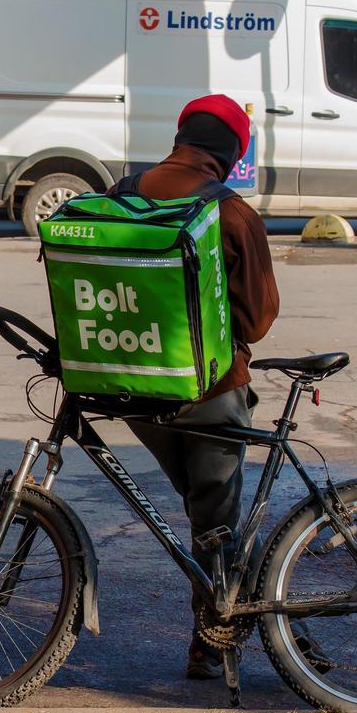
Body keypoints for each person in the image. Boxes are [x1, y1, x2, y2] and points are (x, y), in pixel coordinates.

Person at [110, 95, 279, 679]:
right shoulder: (232, 214)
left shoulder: (121, 195)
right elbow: (256, 321)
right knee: (218, 521)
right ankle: (217, 644)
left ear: (180, 136)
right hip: (210, 393)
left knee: (207, 515)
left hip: (135, 390)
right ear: (232, 154)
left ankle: (246, 619)